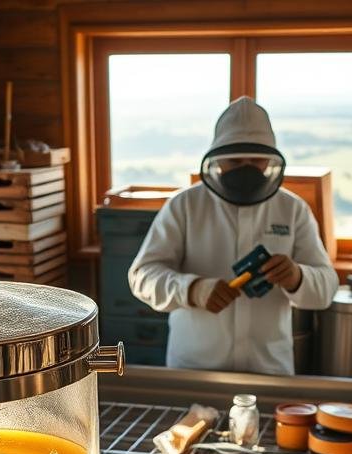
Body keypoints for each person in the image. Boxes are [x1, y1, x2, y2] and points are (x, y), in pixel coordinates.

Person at [128, 96, 338, 376]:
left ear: (271, 159)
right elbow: (142, 275)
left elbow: (327, 286)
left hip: (270, 370)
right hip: (194, 370)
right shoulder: (185, 206)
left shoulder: (292, 209)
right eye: (235, 159)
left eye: (256, 159)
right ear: (218, 158)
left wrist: (297, 276)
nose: (246, 168)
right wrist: (192, 290)